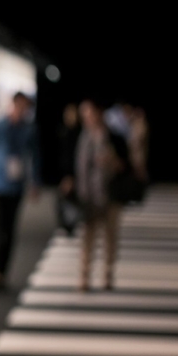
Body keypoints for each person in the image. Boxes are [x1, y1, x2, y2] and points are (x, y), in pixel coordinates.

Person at [0, 91, 41, 290]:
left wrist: (35, 182)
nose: (23, 111)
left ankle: (3, 271)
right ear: (13, 105)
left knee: (10, 231)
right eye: (20, 106)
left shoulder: (28, 130)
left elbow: (35, 157)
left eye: (26, 108)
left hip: (15, 187)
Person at [75, 99, 129, 291]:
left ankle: (108, 274)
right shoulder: (84, 138)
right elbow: (79, 168)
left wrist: (112, 161)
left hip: (111, 195)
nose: (87, 118)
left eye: (90, 114)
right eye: (85, 115)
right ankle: (84, 276)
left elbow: (126, 165)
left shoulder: (114, 137)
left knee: (110, 236)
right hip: (89, 196)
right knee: (88, 237)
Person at [56, 103, 81, 236]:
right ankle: (66, 225)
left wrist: (70, 175)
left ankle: (70, 224)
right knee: (63, 201)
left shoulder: (77, 133)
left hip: (71, 173)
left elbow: (73, 157)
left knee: (70, 200)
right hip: (64, 173)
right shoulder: (64, 130)